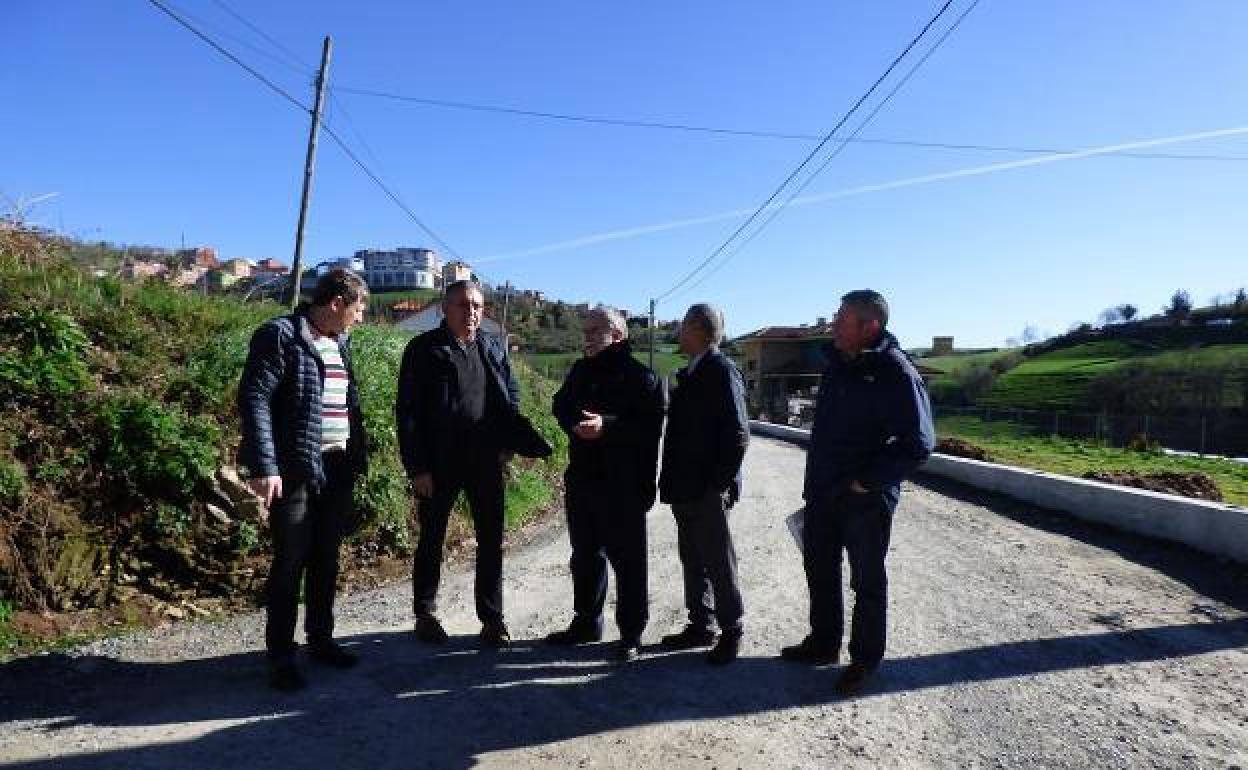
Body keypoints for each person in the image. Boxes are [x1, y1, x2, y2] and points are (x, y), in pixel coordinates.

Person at [781, 289, 934, 696]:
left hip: (866, 499)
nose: (833, 324)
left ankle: (864, 661)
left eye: (842, 319)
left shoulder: (896, 372)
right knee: (820, 570)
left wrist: (867, 481)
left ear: (871, 326)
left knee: (866, 581)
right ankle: (823, 643)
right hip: (823, 493)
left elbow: (918, 443)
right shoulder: (836, 364)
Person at [237, 268, 370, 692]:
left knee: (326, 558)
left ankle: (321, 640)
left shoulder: (340, 341)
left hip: (336, 468)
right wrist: (265, 466)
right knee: (290, 561)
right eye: (359, 308)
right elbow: (254, 397)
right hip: (294, 469)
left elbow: (347, 404)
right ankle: (281, 656)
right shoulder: (280, 335)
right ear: (336, 303)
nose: (360, 317)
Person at [396, 280, 521, 649]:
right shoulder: (422, 350)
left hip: (485, 461)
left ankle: (492, 619)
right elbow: (407, 413)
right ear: (444, 309)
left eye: (477, 306)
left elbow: (510, 394)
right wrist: (417, 467)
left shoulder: (492, 347)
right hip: (438, 463)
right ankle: (425, 613)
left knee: (491, 542)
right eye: (464, 305)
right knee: (432, 539)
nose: (472, 313)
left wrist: (508, 441)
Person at [546, 306, 665, 662]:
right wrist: (573, 425)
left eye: (594, 330)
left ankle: (631, 635)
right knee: (585, 558)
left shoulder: (644, 378)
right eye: (585, 331)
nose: (587, 337)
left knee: (628, 564)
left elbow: (648, 430)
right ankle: (586, 622)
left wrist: (607, 427)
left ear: (617, 334)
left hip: (623, 487)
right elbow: (560, 405)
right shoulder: (582, 370)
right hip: (583, 480)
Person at [658, 303, 750, 665]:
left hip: (707, 489)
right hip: (686, 486)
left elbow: (739, 434)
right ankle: (702, 624)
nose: (678, 332)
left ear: (697, 329)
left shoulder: (720, 370)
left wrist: (718, 485)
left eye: (683, 325)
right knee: (692, 558)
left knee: (718, 561)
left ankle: (732, 630)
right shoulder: (694, 371)